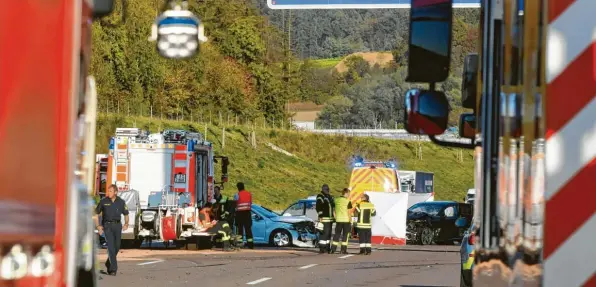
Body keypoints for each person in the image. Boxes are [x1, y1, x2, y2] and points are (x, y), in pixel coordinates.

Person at [94, 184, 129, 276]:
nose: (108, 193)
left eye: (110, 191)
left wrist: (126, 223)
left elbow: (126, 214)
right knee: (110, 247)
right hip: (107, 226)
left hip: (118, 226)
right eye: (108, 191)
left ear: (116, 192)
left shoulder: (121, 202)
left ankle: (108, 263)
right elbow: (96, 214)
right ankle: (113, 269)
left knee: (117, 246)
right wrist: (98, 226)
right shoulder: (103, 201)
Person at [331, 188, 353, 254]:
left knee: (337, 235)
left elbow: (333, 211)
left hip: (338, 220)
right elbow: (349, 212)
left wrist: (336, 218)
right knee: (345, 235)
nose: (349, 195)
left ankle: (333, 249)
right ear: (346, 193)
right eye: (349, 193)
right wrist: (350, 220)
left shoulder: (336, 200)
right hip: (346, 220)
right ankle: (343, 250)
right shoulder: (348, 201)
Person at [315, 184, 334, 254]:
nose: (327, 191)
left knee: (328, 234)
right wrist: (320, 216)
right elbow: (318, 207)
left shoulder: (329, 196)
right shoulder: (320, 196)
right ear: (323, 189)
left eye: (328, 189)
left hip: (330, 219)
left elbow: (332, 206)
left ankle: (327, 248)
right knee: (323, 234)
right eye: (326, 190)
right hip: (324, 219)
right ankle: (322, 248)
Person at [234, 182, 254, 249]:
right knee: (248, 229)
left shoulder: (237, 195)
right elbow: (250, 203)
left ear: (238, 187)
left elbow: (235, 204)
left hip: (240, 214)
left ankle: (240, 244)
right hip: (247, 213)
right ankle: (250, 245)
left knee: (240, 230)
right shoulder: (249, 194)